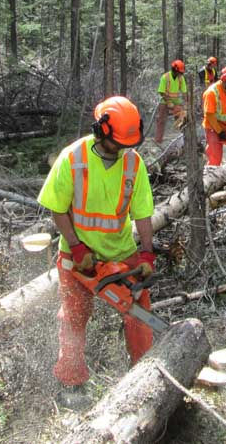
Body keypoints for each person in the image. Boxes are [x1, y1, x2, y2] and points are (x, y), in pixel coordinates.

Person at [37, 96, 156, 390]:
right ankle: (71, 380)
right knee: (74, 316)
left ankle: (144, 377)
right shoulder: (73, 158)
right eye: (118, 142)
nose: (122, 149)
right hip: (77, 253)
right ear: (101, 130)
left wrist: (147, 255)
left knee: (139, 313)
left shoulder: (133, 163)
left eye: (127, 144)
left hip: (120, 251)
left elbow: (142, 214)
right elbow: (57, 207)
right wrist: (77, 247)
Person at [154, 59, 187, 143]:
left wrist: (186, 103)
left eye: (182, 73)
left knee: (183, 118)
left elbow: (184, 92)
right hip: (165, 101)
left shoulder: (181, 78)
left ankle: (184, 139)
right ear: (175, 70)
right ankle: (158, 140)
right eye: (180, 72)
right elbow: (161, 91)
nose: (181, 74)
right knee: (161, 120)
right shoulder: (165, 77)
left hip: (176, 101)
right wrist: (168, 102)